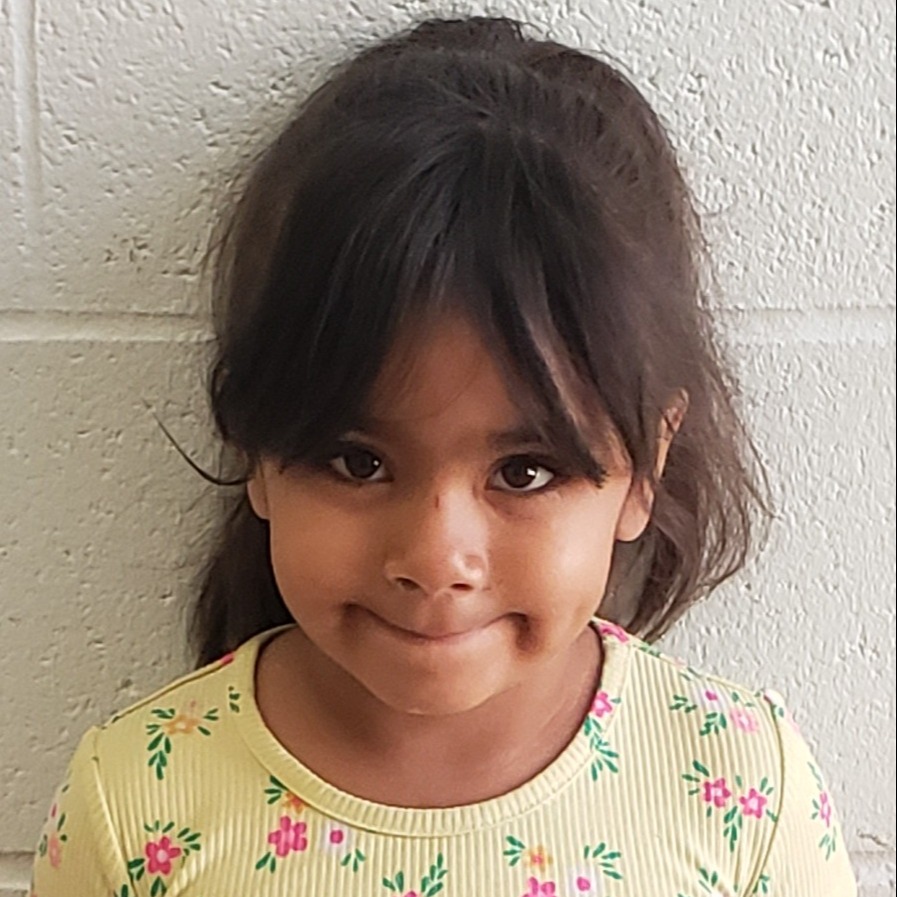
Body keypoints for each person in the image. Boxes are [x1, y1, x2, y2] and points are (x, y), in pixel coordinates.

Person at [31, 16, 857, 896]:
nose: (434, 559)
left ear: (644, 466)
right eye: (357, 462)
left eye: (524, 471)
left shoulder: (739, 788)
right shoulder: (138, 801)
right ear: (260, 449)